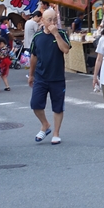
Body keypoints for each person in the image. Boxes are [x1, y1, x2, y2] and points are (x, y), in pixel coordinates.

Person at [28, 9, 71, 145]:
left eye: (54, 19)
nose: (52, 22)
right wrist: (31, 75)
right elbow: (34, 56)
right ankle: (45, 124)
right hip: (41, 76)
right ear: (43, 21)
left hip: (57, 77)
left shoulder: (62, 33)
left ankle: (56, 133)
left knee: (57, 106)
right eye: (49, 20)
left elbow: (65, 49)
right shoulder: (37, 37)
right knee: (35, 104)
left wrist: (56, 34)